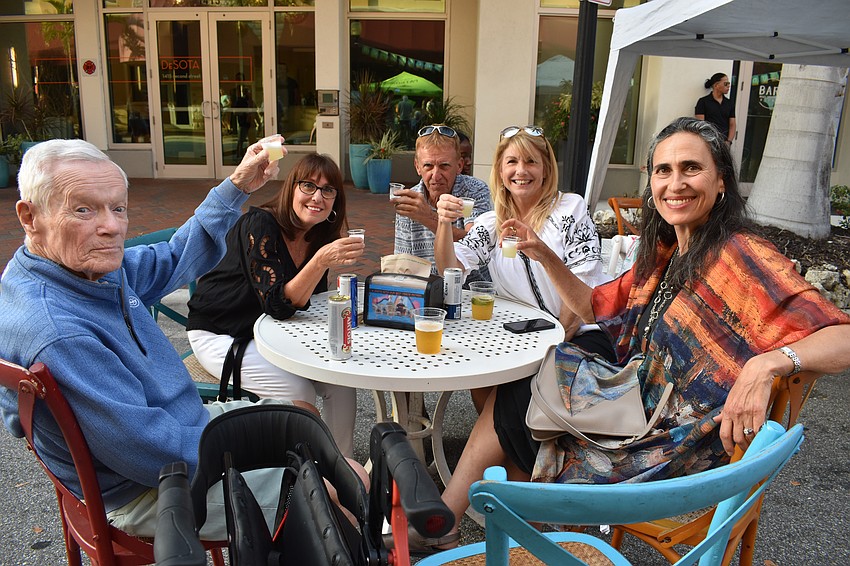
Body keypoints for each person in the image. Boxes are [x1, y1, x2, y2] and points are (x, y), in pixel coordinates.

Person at [430, 117, 850, 551]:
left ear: (721, 182)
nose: (676, 183)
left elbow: (843, 338)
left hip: (671, 441)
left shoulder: (741, 254)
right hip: (638, 400)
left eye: (691, 168)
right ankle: (519, 541)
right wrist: (544, 254)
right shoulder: (668, 249)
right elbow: (596, 305)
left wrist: (768, 364)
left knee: (520, 410)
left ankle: (463, 529)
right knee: (522, 397)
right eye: (663, 170)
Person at [0, 136, 354, 541]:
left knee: (305, 429)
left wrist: (237, 185)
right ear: (30, 216)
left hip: (182, 429)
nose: (111, 226)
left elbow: (175, 256)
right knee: (330, 486)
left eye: (118, 208)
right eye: (83, 209)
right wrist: (259, 453)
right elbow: (154, 454)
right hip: (151, 489)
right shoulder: (59, 331)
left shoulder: (79, 271)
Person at [186, 154, 364, 457]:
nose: (317, 197)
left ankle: (344, 468)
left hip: (269, 331)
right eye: (308, 186)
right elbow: (278, 304)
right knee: (301, 391)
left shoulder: (318, 235)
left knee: (340, 381)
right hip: (222, 333)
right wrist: (320, 262)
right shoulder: (260, 223)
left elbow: (306, 303)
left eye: (328, 190)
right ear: (291, 189)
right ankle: (316, 476)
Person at [434, 124, 611, 422]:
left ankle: (502, 456)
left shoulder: (570, 210)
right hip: (522, 336)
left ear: (545, 169)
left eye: (531, 162)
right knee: (480, 377)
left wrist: (553, 347)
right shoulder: (492, 223)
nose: (521, 170)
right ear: (501, 171)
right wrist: (442, 223)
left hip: (579, 334)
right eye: (512, 162)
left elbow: (583, 284)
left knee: (518, 394)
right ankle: (507, 453)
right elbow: (451, 269)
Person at [393, 124, 492, 275]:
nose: (436, 175)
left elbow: (477, 243)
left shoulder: (474, 190)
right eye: (428, 166)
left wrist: (428, 217)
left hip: (471, 290)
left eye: (444, 166)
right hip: (426, 291)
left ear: (459, 165)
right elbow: (403, 263)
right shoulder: (410, 200)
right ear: (417, 166)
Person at [695, 72, 736, 146]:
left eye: (729, 83)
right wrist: (707, 141)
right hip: (708, 142)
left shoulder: (729, 103)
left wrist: (729, 142)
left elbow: (732, 124)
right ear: (716, 85)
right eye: (726, 83)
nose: (729, 86)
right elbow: (700, 124)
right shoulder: (703, 102)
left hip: (724, 143)